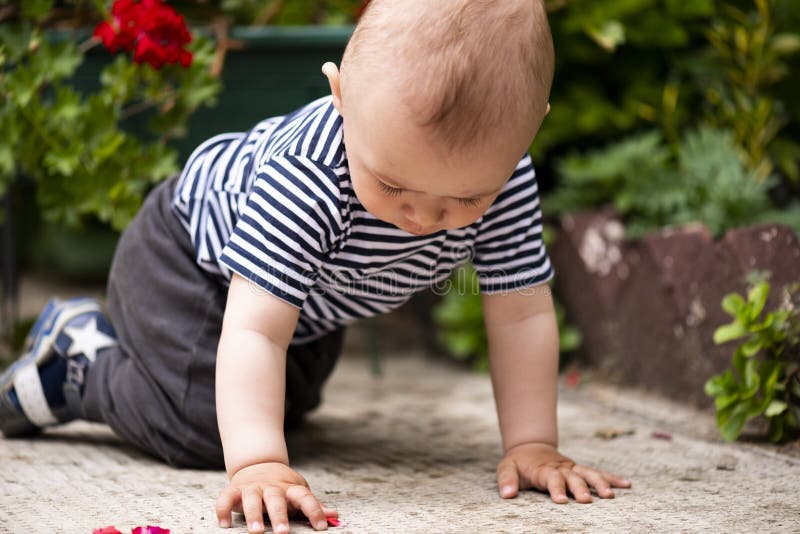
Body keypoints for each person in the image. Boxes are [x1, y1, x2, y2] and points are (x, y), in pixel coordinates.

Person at [0, 0, 632, 532]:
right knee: (203, 431)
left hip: (308, 301)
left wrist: (532, 444)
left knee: (287, 409)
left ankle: (143, 381)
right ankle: (79, 365)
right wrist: (257, 465)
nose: (420, 217)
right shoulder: (308, 173)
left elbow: (521, 313)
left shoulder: (507, 177)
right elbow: (255, 330)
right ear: (340, 94)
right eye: (392, 185)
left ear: (528, 135)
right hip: (188, 261)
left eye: (465, 201)